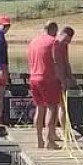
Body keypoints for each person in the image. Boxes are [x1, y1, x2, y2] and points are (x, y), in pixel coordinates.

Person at [27, 21, 61, 149]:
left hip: (34, 78)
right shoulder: (54, 42)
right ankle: (50, 141)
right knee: (52, 108)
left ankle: (39, 140)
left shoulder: (33, 42)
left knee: (39, 108)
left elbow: (30, 61)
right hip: (48, 79)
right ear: (53, 30)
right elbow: (58, 62)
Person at [53, 26, 76, 129]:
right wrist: (62, 80)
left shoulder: (64, 45)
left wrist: (70, 77)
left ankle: (64, 130)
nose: (66, 42)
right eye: (66, 40)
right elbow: (55, 64)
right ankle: (53, 132)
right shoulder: (55, 43)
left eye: (68, 41)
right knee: (53, 106)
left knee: (62, 106)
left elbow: (66, 62)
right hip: (54, 79)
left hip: (63, 79)